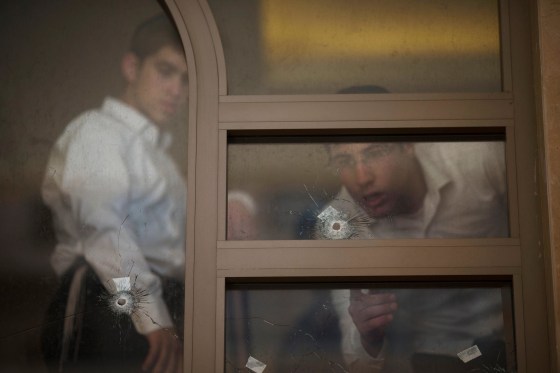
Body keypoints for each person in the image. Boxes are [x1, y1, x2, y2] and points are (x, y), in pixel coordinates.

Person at [42, 14, 197, 373]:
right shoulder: (96, 133)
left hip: (156, 305)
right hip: (110, 306)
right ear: (132, 67)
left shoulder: (161, 157)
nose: (177, 89)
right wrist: (151, 316)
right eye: (165, 70)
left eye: (186, 79)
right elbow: (105, 234)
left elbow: (179, 246)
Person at [321, 141, 509, 372]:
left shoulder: (478, 157)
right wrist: (368, 337)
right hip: (427, 357)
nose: (362, 178)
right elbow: (360, 362)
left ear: (408, 145)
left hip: (514, 336)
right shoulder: (337, 222)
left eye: (375, 153)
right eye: (344, 161)